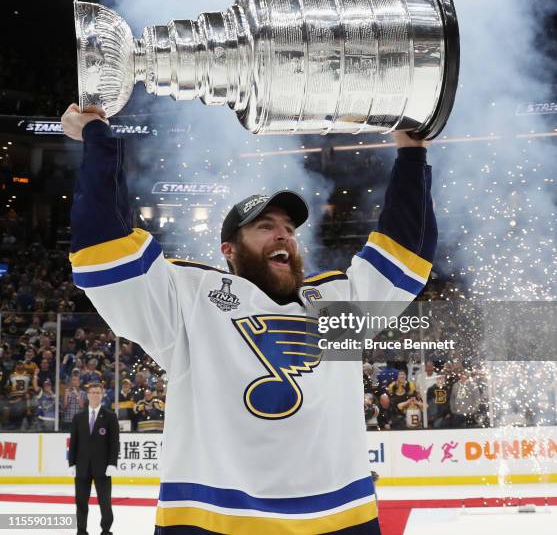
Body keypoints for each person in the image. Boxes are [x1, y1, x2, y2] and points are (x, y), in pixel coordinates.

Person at [63, 103, 437, 535]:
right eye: (265, 226)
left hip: (338, 519)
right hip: (212, 521)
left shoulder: (335, 303)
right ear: (229, 250)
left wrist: (412, 152)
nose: (284, 235)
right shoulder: (190, 300)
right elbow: (104, 250)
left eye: (289, 229)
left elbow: (405, 252)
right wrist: (99, 140)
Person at [68, 382, 119, 535]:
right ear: (88, 394)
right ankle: (81, 530)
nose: (95, 395)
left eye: (98, 392)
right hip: (82, 467)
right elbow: (74, 442)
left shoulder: (110, 416)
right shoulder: (78, 417)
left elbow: (114, 442)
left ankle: (106, 530)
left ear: (102, 395)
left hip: (103, 467)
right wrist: (72, 463)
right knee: (81, 503)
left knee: (105, 503)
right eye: (92, 392)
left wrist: (112, 463)